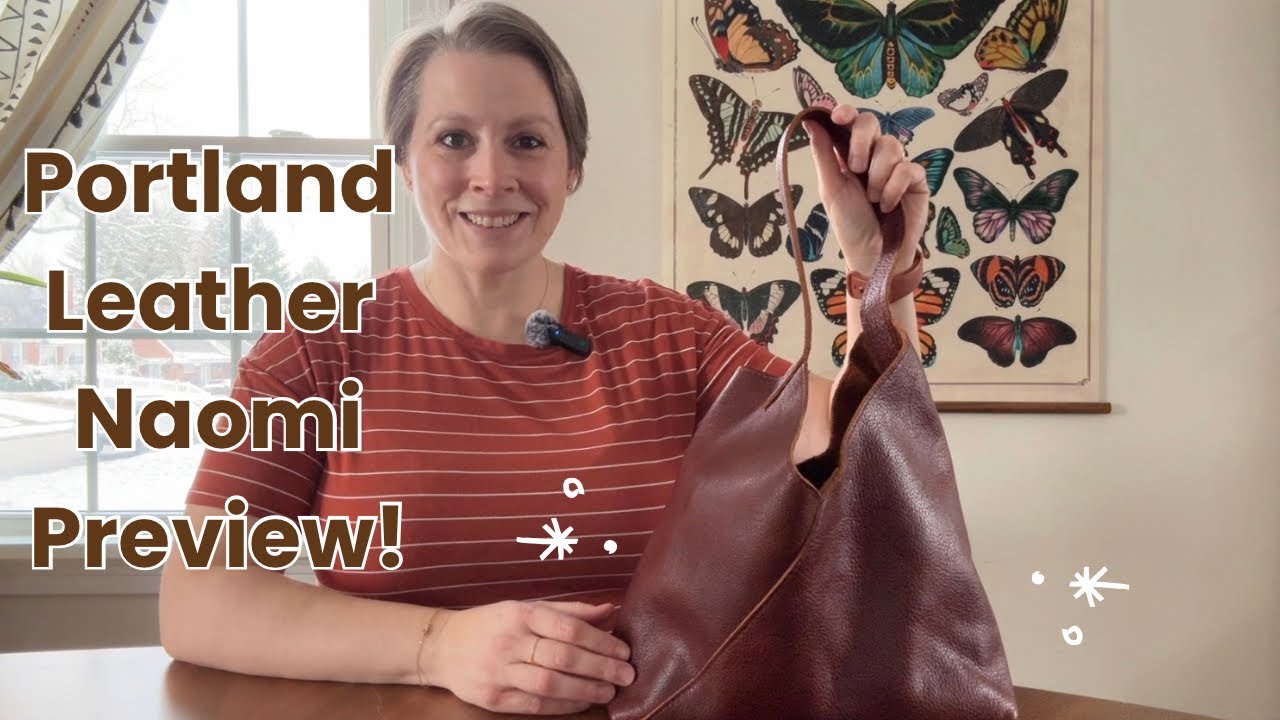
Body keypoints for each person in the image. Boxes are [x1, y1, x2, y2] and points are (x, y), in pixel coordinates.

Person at [158, 1, 929, 715]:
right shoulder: (317, 347)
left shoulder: (672, 335)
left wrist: (877, 266)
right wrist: (438, 646)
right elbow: (198, 600)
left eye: (527, 141)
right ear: (404, 163)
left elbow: (873, 452)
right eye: (453, 139)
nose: (492, 177)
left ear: (572, 168)